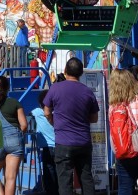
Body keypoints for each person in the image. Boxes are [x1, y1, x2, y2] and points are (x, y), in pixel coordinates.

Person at [43, 57, 99, 195]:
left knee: (65, 182)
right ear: (81, 73)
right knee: (86, 179)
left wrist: (55, 122)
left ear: (65, 71)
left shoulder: (55, 88)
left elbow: (46, 112)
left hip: (63, 142)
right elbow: (94, 118)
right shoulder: (87, 92)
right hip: (83, 142)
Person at [0, 75, 28, 195]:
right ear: (8, 88)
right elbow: (24, 125)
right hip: (14, 141)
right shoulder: (14, 103)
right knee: (10, 177)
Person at [31, 89, 58, 195]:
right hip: (59, 145)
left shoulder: (37, 112)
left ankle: (51, 191)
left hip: (46, 146)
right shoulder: (56, 112)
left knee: (48, 170)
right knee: (59, 170)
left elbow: (29, 116)